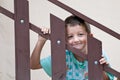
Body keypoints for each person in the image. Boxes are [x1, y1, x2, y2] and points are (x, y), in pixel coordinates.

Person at [30, 15, 114, 80]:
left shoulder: (98, 54)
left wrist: (100, 69)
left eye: (80, 34)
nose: (76, 40)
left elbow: (107, 79)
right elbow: (33, 65)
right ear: (65, 40)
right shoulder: (64, 56)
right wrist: (41, 41)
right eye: (70, 36)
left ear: (90, 37)